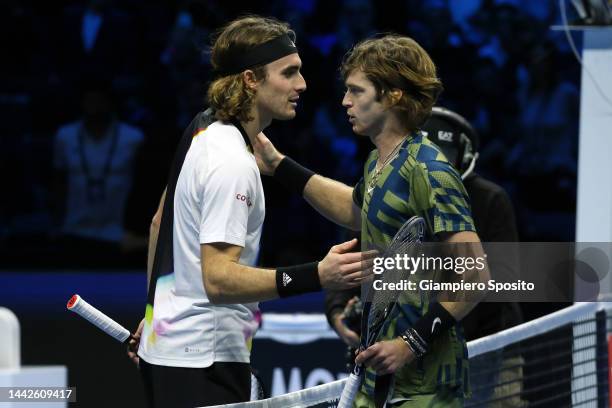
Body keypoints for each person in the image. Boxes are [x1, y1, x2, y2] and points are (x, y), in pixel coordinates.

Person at [126, 16, 373, 408]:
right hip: (206, 359)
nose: (301, 85)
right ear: (250, 79)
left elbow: (161, 222)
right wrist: (318, 275)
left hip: (170, 348)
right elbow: (220, 280)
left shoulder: (202, 130)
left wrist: (156, 318)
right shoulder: (233, 163)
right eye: (289, 73)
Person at [256, 35, 488, 407]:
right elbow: (355, 207)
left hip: (426, 386)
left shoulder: (430, 170)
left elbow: (475, 276)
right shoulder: (380, 161)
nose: (345, 101)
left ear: (393, 94)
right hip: (380, 375)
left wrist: (408, 343)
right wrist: (278, 166)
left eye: (356, 91)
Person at [422, 106, 524, 407]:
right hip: (426, 349)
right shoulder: (399, 197)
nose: (436, 165)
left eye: (445, 154)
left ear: (463, 156)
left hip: (493, 344)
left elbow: (503, 282)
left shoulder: (490, 200)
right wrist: (339, 308)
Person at [52, 77, 144, 264]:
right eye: (90, 100)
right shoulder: (65, 137)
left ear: (110, 102)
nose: (95, 106)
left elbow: (142, 189)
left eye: (99, 100)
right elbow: (58, 183)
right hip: (74, 231)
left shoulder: (133, 139)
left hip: (118, 235)